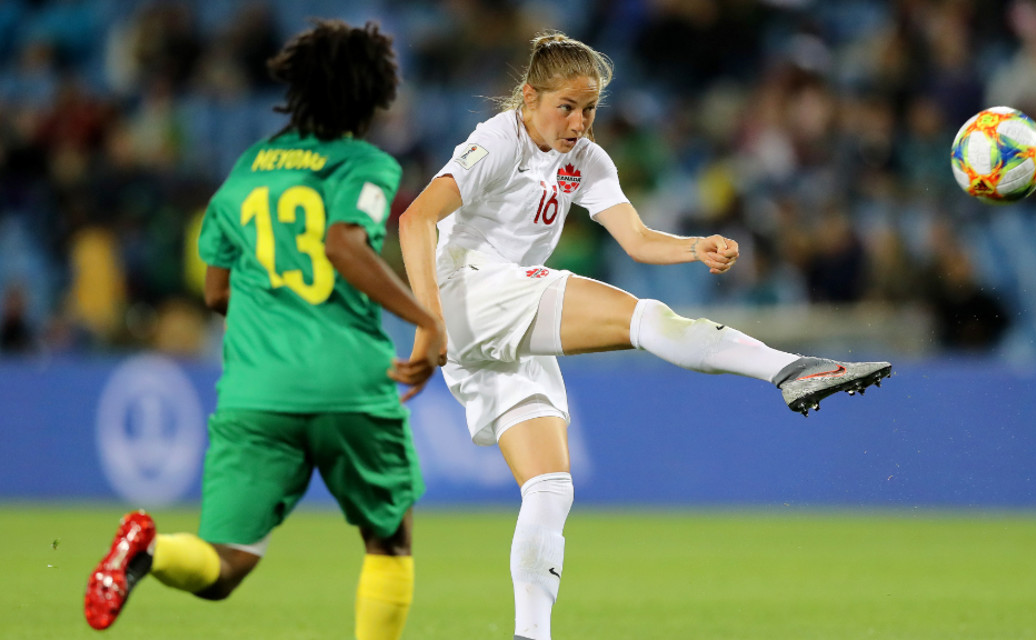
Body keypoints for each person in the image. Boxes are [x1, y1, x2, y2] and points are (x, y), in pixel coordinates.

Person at [398, 31, 892, 640]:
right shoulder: (497, 141)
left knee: (550, 489)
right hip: (470, 290)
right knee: (642, 318)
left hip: (497, 325)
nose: (579, 123)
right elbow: (415, 217)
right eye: (567, 108)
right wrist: (429, 320)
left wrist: (694, 247)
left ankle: (530, 634)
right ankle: (789, 369)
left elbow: (634, 239)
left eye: (590, 109)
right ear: (528, 97)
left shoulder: (587, 158)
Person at [83, 20, 444, 640]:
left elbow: (215, 290)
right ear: (370, 96)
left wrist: (272, 320)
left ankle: (148, 553)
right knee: (389, 541)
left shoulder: (248, 168)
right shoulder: (366, 165)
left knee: (224, 566)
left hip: (255, 390)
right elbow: (343, 244)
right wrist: (424, 317)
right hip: (348, 382)